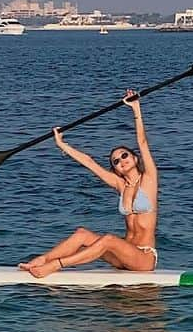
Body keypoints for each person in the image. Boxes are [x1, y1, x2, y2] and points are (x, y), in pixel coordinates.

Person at [19, 88, 158, 277]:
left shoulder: (149, 180)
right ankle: (42, 260)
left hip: (143, 258)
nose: (121, 161)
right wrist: (62, 145)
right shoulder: (121, 186)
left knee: (108, 239)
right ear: (115, 169)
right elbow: (90, 163)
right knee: (81, 234)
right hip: (121, 257)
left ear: (134, 158)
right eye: (115, 161)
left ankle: (57, 265)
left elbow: (142, 142)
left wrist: (136, 109)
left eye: (124, 155)